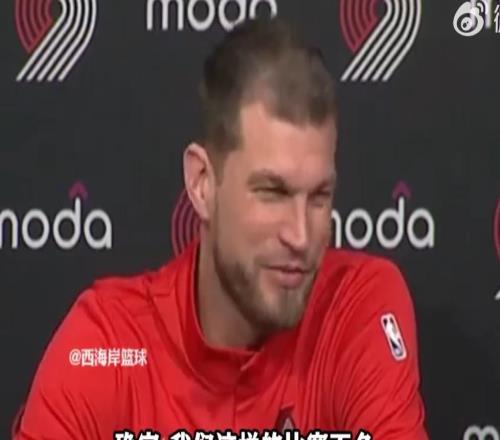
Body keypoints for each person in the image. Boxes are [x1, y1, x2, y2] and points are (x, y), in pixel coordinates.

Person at [13, 17, 428, 440]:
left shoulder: (356, 308)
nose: (301, 236)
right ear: (202, 184)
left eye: (319, 196)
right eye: (273, 192)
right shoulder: (107, 349)